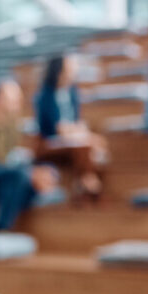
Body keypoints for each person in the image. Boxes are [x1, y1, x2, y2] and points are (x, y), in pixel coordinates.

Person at [0, 80, 58, 231]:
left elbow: (12, 158)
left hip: (5, 178)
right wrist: (31, 174)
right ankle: (0, 228)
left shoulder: (12, 126)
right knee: (20, 176)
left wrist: (35, 173)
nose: (17, 101)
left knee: (43, 173)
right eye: (12, 97)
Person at [34, 54, 106, 201]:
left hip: (71, 140)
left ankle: (85, 184)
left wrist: (86, 136)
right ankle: (89, 184)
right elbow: (59, 129)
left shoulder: (72, 92)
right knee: (83, 147)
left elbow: (77, 122)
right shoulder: (45, 96)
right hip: (49, 143)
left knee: (88, 146)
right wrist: (83, 136)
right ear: (60, 71)